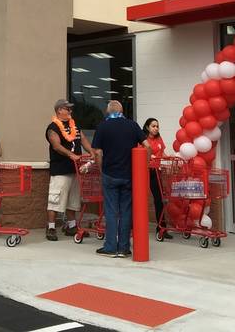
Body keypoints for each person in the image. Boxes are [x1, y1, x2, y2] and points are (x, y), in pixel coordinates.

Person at [91, 100, 146, 257]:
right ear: (122, 111)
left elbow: (98, 153)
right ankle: (123, 248)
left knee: (111, 211)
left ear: (108, 111)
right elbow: (147, 145)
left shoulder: (103, 126)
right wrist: (144, 166)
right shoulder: (132, 125)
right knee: (126, 211)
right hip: (129, 175)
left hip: (110, 174)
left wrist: (102, 169)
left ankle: (110, 247)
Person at [45, 99, 94, 241]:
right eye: (68, 109)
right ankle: (51, 227)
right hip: (60, 169)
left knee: (73, 199)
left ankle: (71, 226)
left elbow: (82, 139)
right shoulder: (53, 127)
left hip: (75, 169)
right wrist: (71, 154)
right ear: (59, 110)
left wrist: (91, 151)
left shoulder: (75, 126)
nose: (70, 111)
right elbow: (56, 145)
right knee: (55, 199)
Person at [143, 117, 172, 239]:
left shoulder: (159, 139)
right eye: (153, 126)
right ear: (147, 127)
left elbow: (163, 154)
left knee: (159, 199)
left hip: (157, 171)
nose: (156, 128)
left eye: (157, 126)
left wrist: (170, 159)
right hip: (146, 171)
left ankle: (161, 228)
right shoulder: (143, 140)